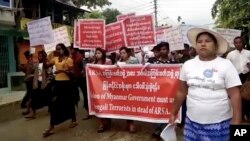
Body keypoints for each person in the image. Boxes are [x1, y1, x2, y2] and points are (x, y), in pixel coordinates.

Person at [171, 28, 242, 141]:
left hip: (220, 124)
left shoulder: (226, 65)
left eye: (208, 41)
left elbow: (235, 95)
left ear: (215, 45)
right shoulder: (187, 65)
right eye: (199, 42)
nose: (203, 44)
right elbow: (181, 91)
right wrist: (173, 112)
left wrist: (237, 123)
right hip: (191, 123)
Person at [43, 43, 77, 137]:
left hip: (66, 84)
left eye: (59, 49)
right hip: (57, 84)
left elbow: (72, 73)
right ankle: (51, 126)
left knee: (69, 102)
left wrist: (62, 71)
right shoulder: (55, 59)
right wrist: (45, 57)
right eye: (56, 49)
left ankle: (73, 120)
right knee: (54, 104)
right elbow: (46, 66)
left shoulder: (68, 59)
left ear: (63, 49)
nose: (58, 51)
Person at [226, 36, 250, 121]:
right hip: (235, 77)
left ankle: (247, 114)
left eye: (240, 42)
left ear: (243, 43)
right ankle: (240, 115)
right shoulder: (230, 54)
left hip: (247, 77)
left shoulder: (248, 53)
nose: (238, 44)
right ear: (234, 44)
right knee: (237, 96)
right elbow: (227, 67)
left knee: (247, 96)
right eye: (236, 43)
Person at [117, 47, 139, 133]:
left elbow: (139, 71)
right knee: (125, 106)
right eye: (121, 53)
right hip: (123, 87)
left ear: (128, 53)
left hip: (132, 87)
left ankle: (132, 124)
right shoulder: (120, 62)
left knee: (131, 106)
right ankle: (128, 122)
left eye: (124, 53)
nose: (122, 55)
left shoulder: (134, 60)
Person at [25, 51, 50, 119]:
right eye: (38, 56)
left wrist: (47, 81)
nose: (39, 57)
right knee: (34, 97)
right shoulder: (37, 64)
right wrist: (30, 75)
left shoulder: (47, 64)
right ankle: (33, 113)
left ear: (44, 57)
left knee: (47, 98)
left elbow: (49, 74)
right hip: (37, 83)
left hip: (44, 84)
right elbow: (36, 73)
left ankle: (50, 109)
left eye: (41, 56)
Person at [93, 48, 112, 133]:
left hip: (106, 86)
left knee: (106, 103)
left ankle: (107, 117)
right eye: (96, 53)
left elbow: (111, 72)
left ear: (103, 53)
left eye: (99, 53)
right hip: (98, 87)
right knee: (99, 104)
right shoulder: (94, 63)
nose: (97, 55)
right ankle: (101, 123)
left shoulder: (108, 61)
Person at [20, 51, 35, 115]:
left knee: (30, 94)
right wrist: (22, 69)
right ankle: (26, 106)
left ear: (29, 56)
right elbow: (25, 72)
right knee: (29, 94)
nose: (26, 57)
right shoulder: (27, 63)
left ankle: (27, 107)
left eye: (26, 56)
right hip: (27, 80)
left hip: (31, 81)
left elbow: (35, 72)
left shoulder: (33, 63)